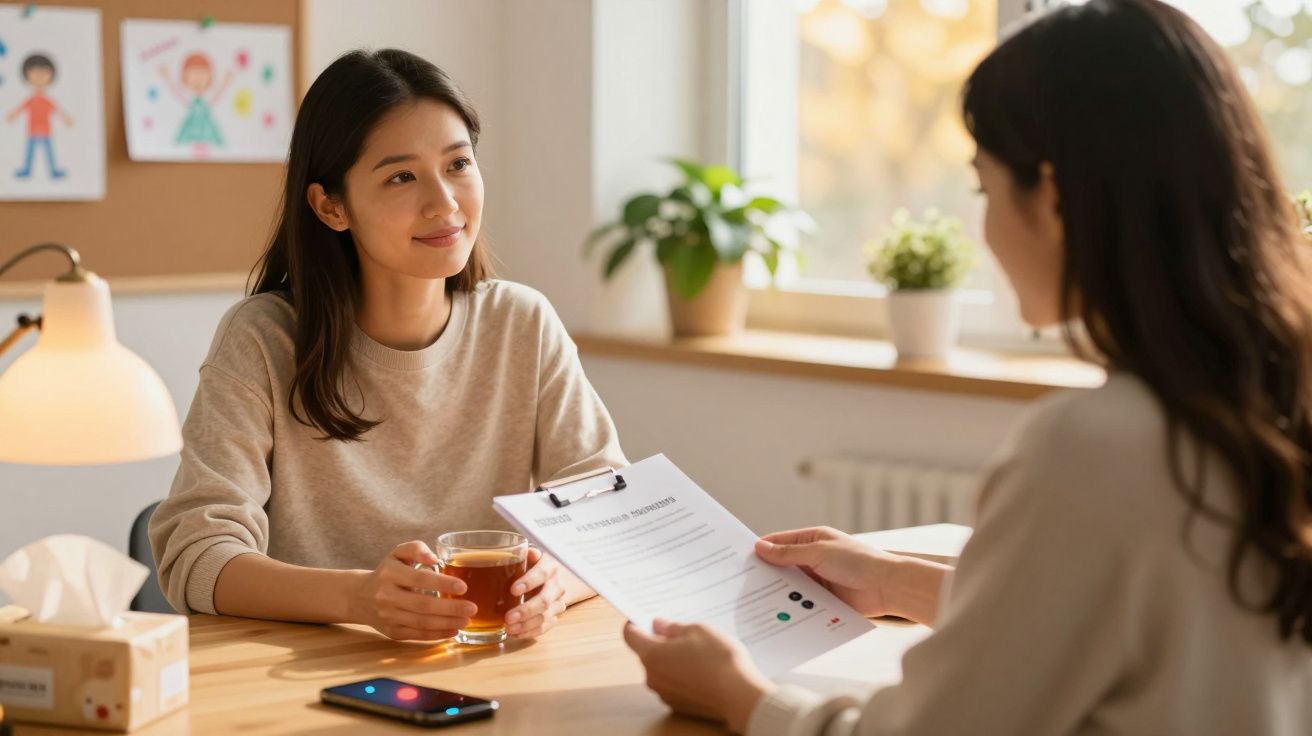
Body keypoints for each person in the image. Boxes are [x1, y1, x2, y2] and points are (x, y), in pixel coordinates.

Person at [624, 1, 1312, 733]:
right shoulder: (1270, 394)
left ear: (1050, 196)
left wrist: (739, 695)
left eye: (984, 188)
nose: (982, 225)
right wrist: (895, 581)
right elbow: (1128, 625)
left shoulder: (1097, 445)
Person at [150, 49, 625, 643]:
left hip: (492, 664)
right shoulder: (263, 339)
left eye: (458, 164)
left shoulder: (522, 323)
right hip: (307, 678)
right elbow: (195, 556)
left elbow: (609, 513)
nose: (445, 203)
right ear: (331, 206)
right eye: (402, 176)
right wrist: (358, 597)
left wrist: (558, 581)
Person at [6, 54, 72, 179]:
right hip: (32, 131)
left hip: (46, 131)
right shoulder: (30, 100)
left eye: (44, 73)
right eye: (35, 72)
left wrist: (66, 118)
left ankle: (53, 171)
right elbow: (21, 109)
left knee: (49, 153)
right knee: (29, 153)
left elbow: (57, 110)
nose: (39, 76)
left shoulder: (47, 100)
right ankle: (26, 171)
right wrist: (13, 115)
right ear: (27, 76)